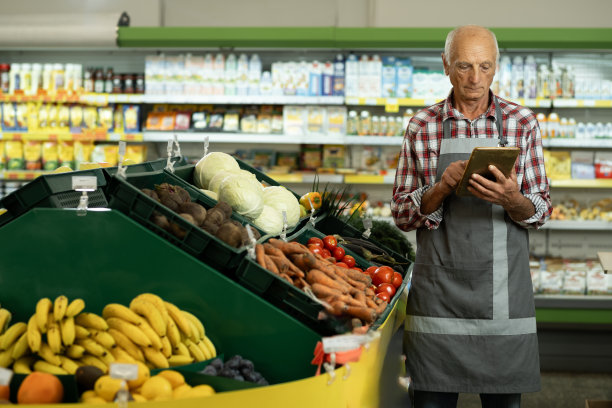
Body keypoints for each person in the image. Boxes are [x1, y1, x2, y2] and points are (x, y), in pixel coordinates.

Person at [391, 25, 553, 408]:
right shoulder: (422, 126)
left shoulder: (522, 123)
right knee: (431, 402)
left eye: (485, 66)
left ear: (496, 67)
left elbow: (541, 209)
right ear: (446, 66)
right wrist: (440, 188)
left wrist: (514, 199)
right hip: (438, 301)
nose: (475, 79)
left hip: (502, 297)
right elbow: (400, 213)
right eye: (464, 66)